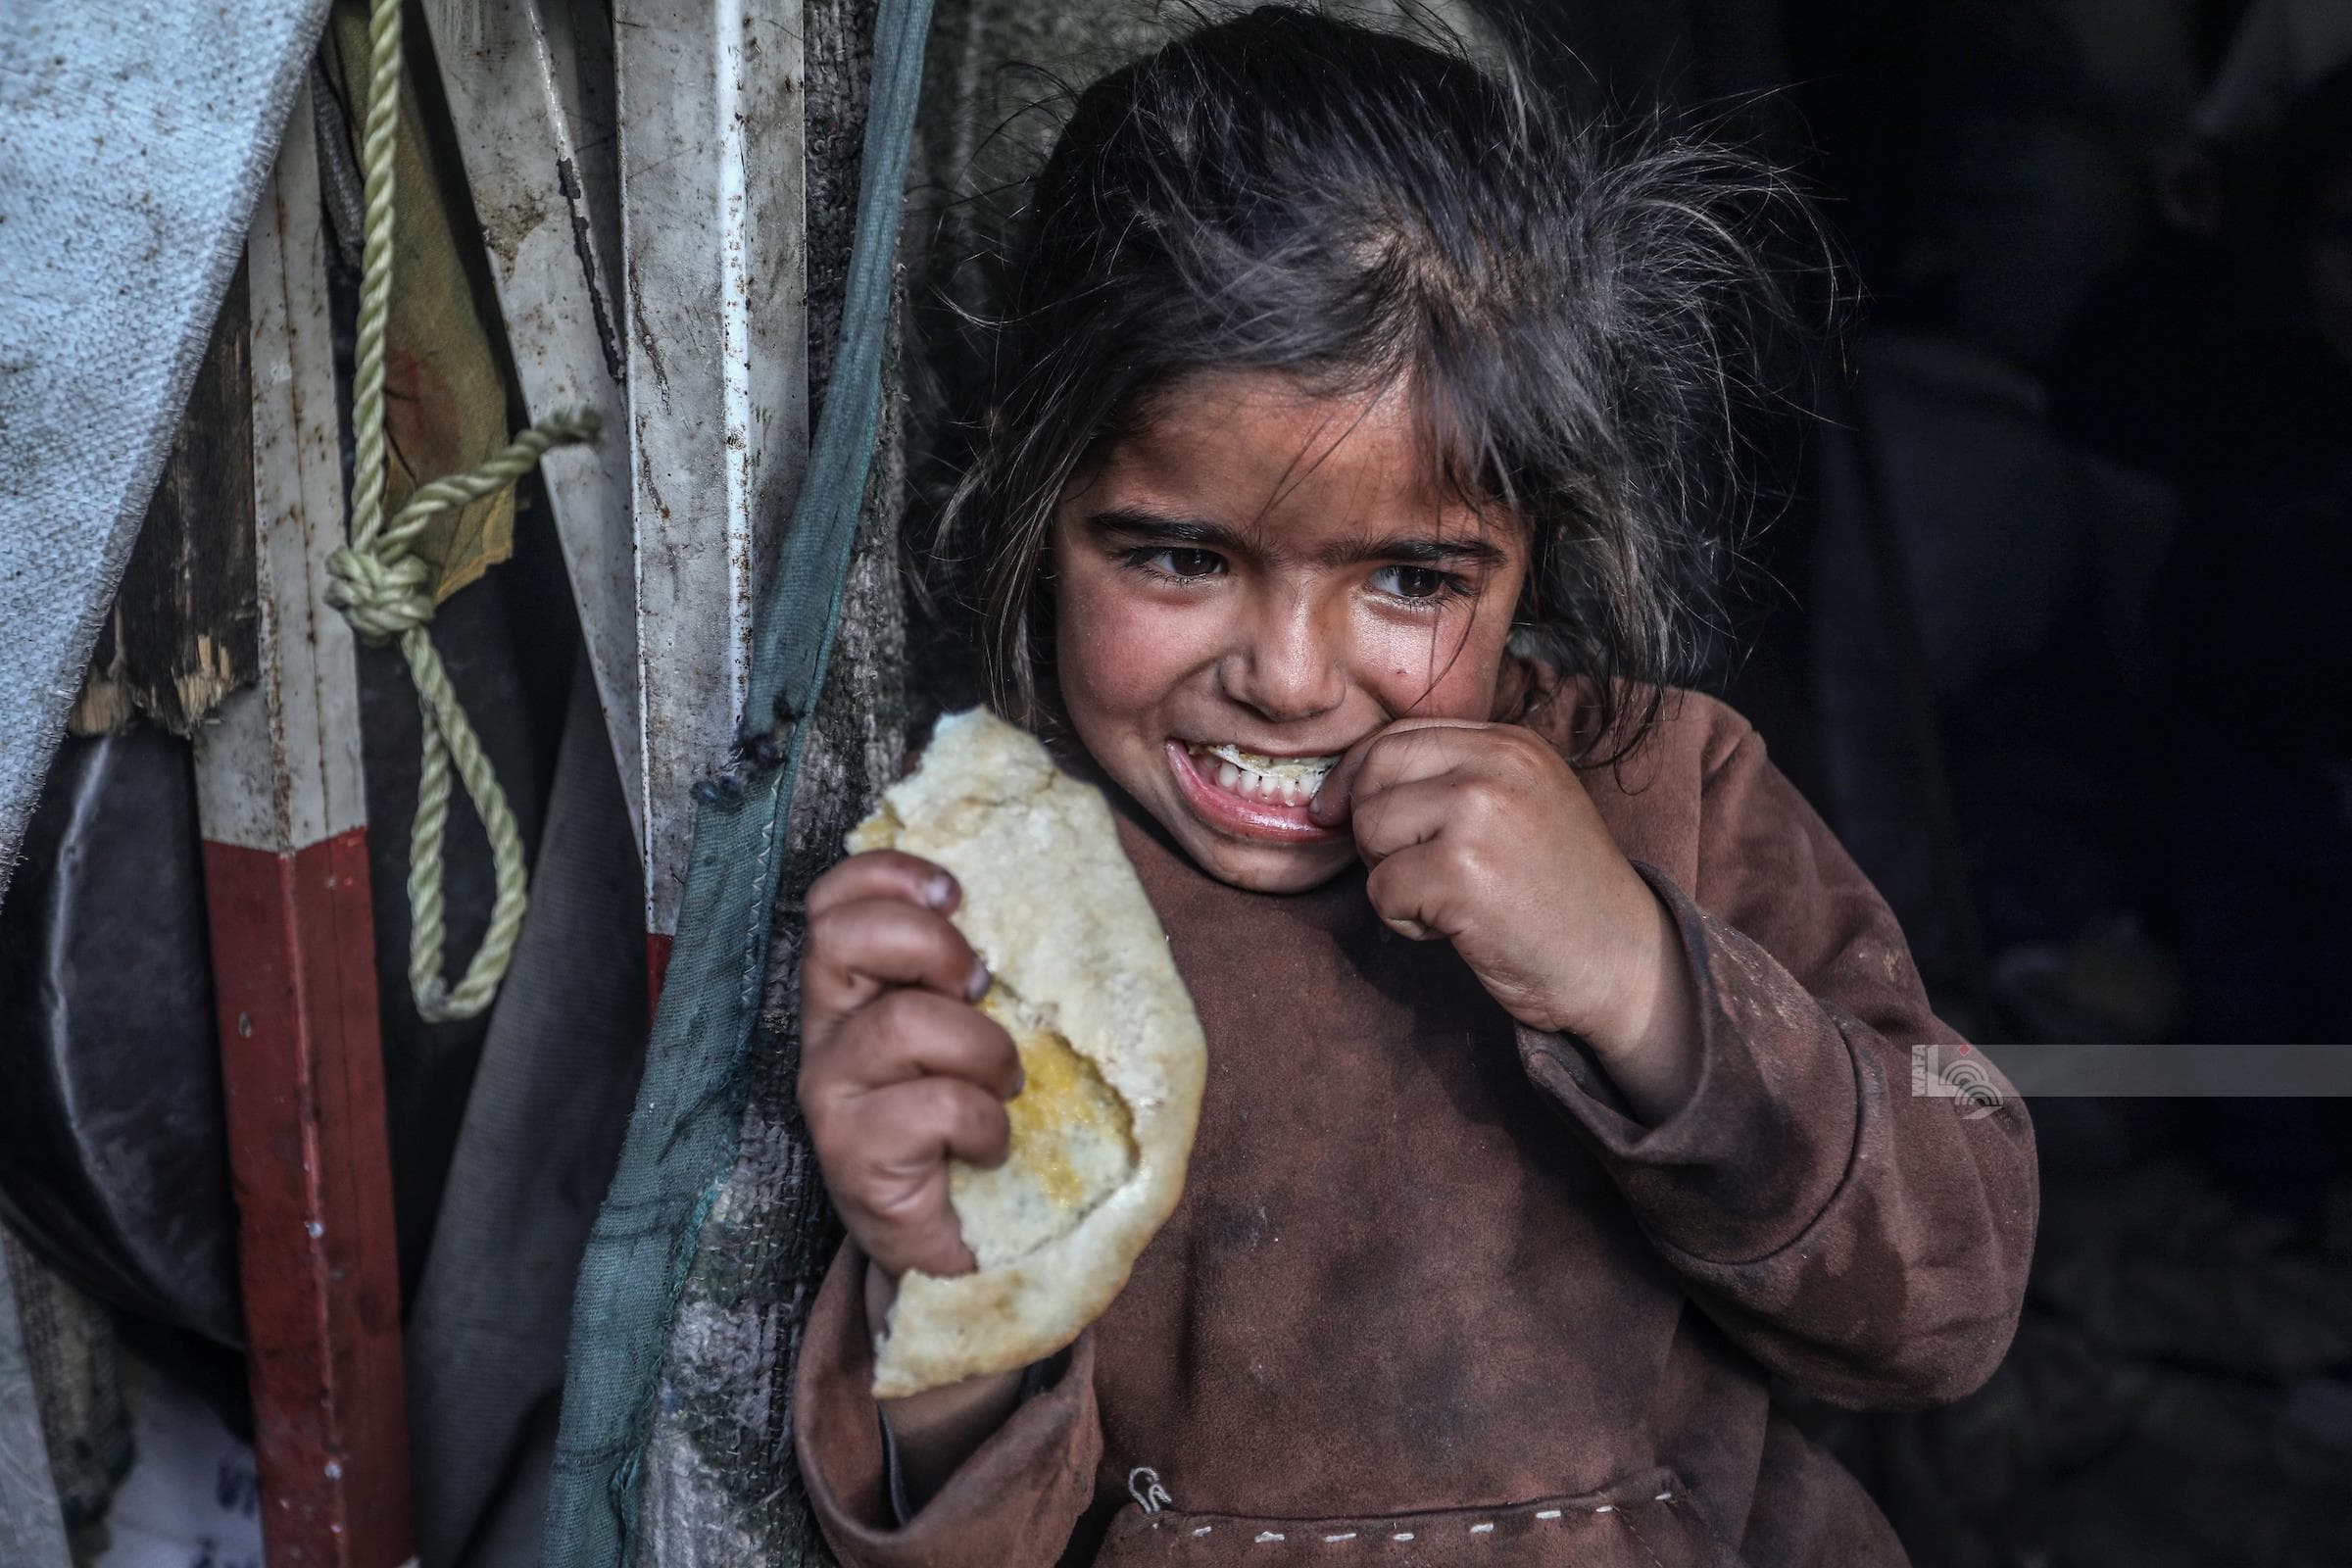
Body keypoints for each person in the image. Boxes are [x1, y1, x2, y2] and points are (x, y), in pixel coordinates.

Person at [790, 10, 2038, 1564]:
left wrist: (1641, 979)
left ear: (1538, 549)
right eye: (1179, 557)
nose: (1290, 677)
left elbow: (1950, 1302)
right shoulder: (997, 905)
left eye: (1411, 579)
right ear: (1034, 504)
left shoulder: (1673, 788)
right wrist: (949, 1279)